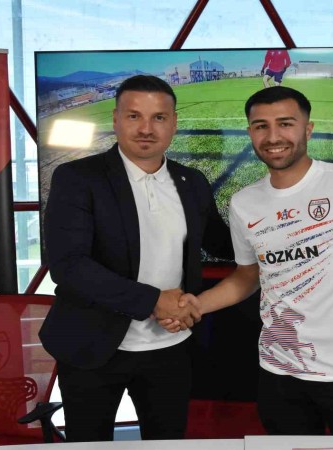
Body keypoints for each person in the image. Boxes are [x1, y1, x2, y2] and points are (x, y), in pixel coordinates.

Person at [162, 86, 333, 436]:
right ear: (250, 133)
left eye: (286, 124)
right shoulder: (244, 203)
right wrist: (195, 305)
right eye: (261, 126)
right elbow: (247, 277)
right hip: (278, 373)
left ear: (308, 129)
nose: (273, 136)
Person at [39, 75, 233, 442]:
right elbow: (69, 266)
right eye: (134, 116)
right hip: (93, 346)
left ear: (174, 123)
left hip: (170, 348)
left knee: (167, 444)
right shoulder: (79, 178)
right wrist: (154, 301)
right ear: (116, 119)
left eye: (159, 117)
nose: (146, 128)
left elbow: (222, 243)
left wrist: (278, 226)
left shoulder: (191, 181)